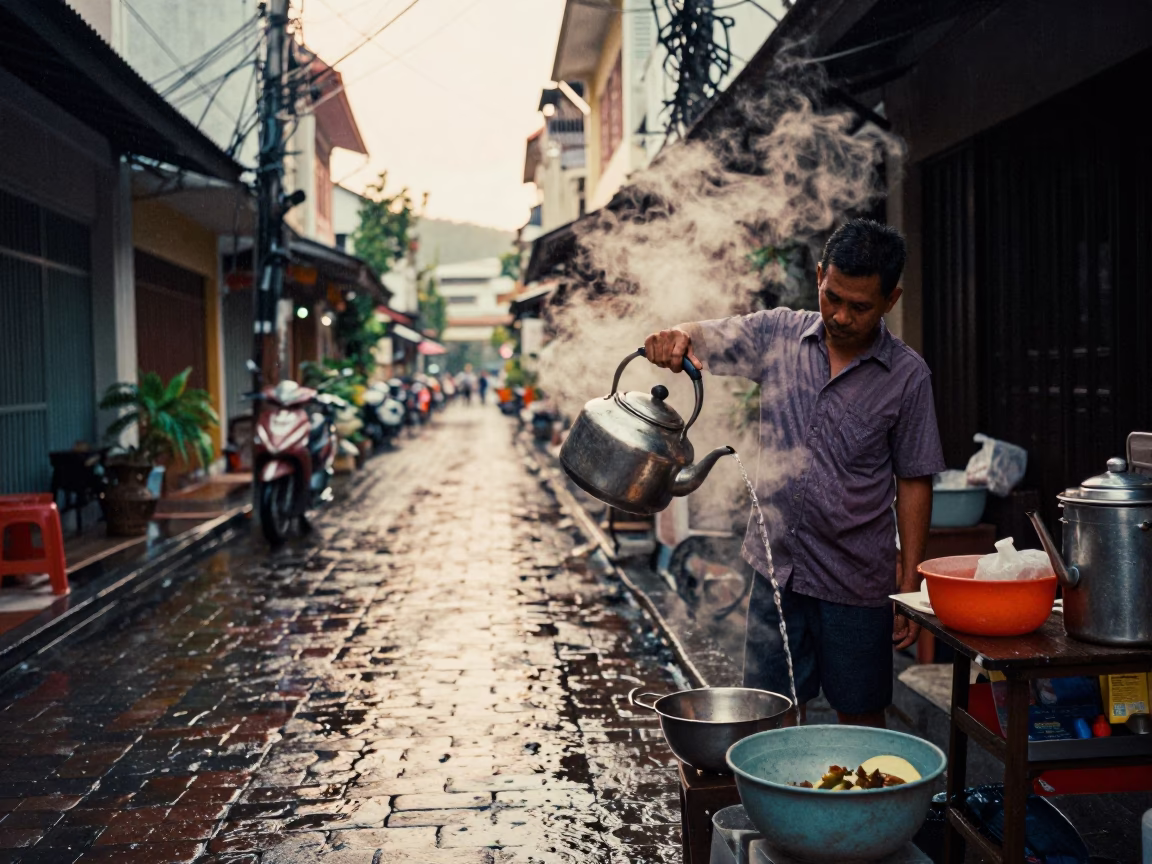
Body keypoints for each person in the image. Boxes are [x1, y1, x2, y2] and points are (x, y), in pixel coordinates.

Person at [643, 218, 945, 728]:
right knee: (771, 713)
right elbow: (707, 336)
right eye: (832, 297)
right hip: (775, 568)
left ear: (890, 300)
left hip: (857, 579)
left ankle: (860, 785)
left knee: (861, 716)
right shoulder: (778, 334)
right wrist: (678, 337)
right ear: (820, 275)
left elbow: (914, 479)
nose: (841, 316)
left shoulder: (908, 376)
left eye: (860, 307)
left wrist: (910, 584)